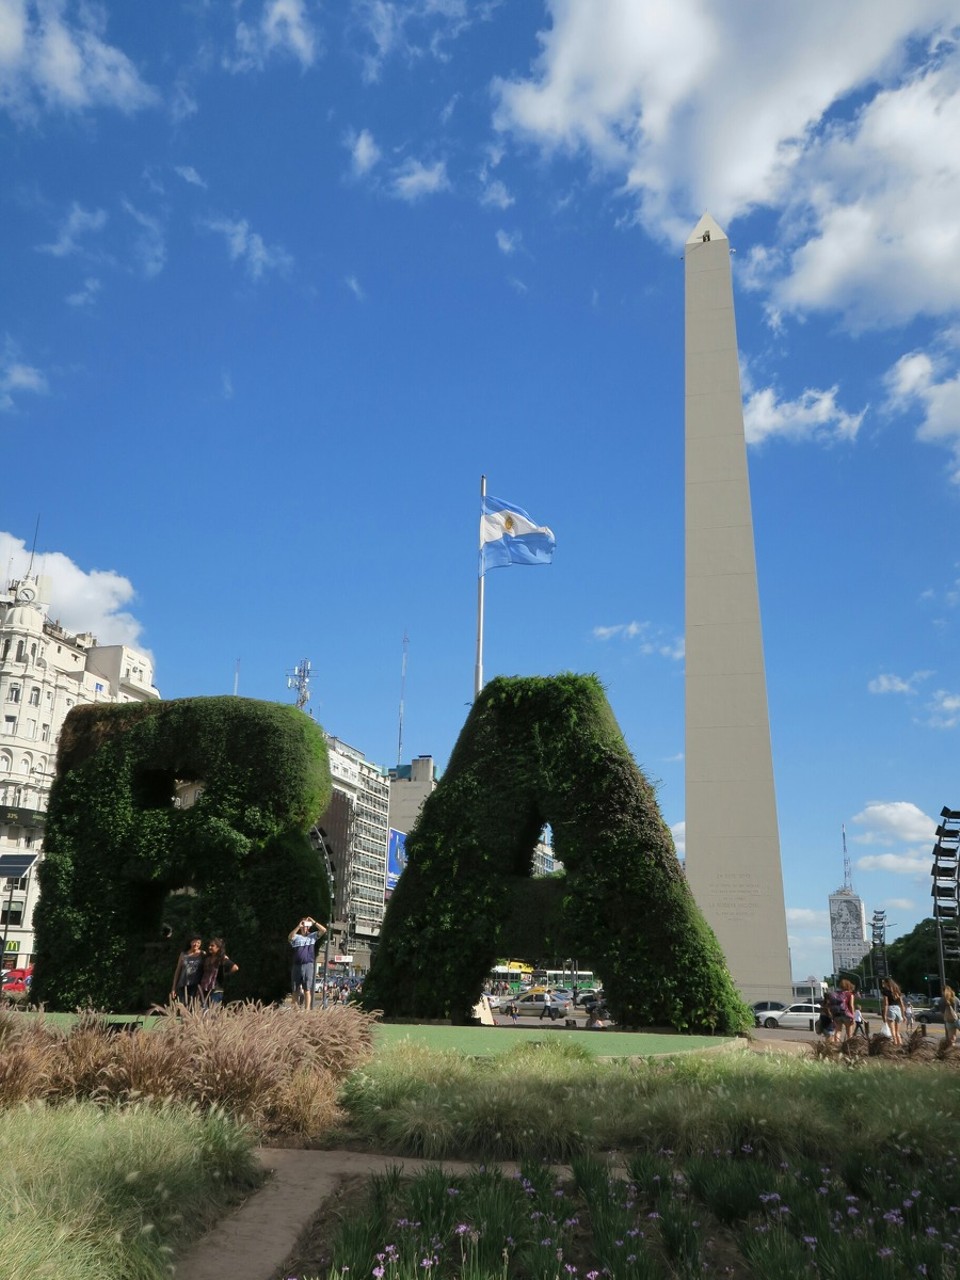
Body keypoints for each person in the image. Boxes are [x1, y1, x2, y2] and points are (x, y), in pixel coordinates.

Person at [288, 915, 326, 1010]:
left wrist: (314, 922)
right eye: (303, 925)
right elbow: (290, 937)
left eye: (306, 925)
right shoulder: (296, 937)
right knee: (295, 990)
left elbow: (324, 930)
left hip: (308, 965)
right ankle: (295, 1011)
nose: (305, 927)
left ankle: (307, 1011)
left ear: (309, 926)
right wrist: (298, 927)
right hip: (297, 965)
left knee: (307, 989)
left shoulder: (312, 936)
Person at [199, 937, 238, 1008]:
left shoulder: (222, 959)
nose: (209, 947)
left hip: (216, 989)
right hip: (204, 988)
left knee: (213, 1011)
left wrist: (224, 975)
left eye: (212, 946)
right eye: (209, 945)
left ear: (218, 948)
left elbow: (235, 967)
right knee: (204, 1011)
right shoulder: (206, 958)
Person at [171, 935, 204, 1006]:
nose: (196, 944)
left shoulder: (203, 954)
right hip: (183, 984)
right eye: (194, 942)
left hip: (196, 985)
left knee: (193, 1007)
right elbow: (178, 971)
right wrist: (173, 987)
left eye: (198, 942)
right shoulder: (183, 954)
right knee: (184, 1007)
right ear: (190, 942)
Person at [881, 977, 905, 1046]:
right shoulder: (897, 991)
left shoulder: (885, 991)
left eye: (883, 982)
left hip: (890, 1009)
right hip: (898, 1010)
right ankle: (900, 1045)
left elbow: (886, 1004)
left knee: (892, 1032)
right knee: (897, 1032)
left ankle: (894, 1045)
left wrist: (885, 1015)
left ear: (886, 983)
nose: (883, 984)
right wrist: (903, 1015)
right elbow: (902, 1003)